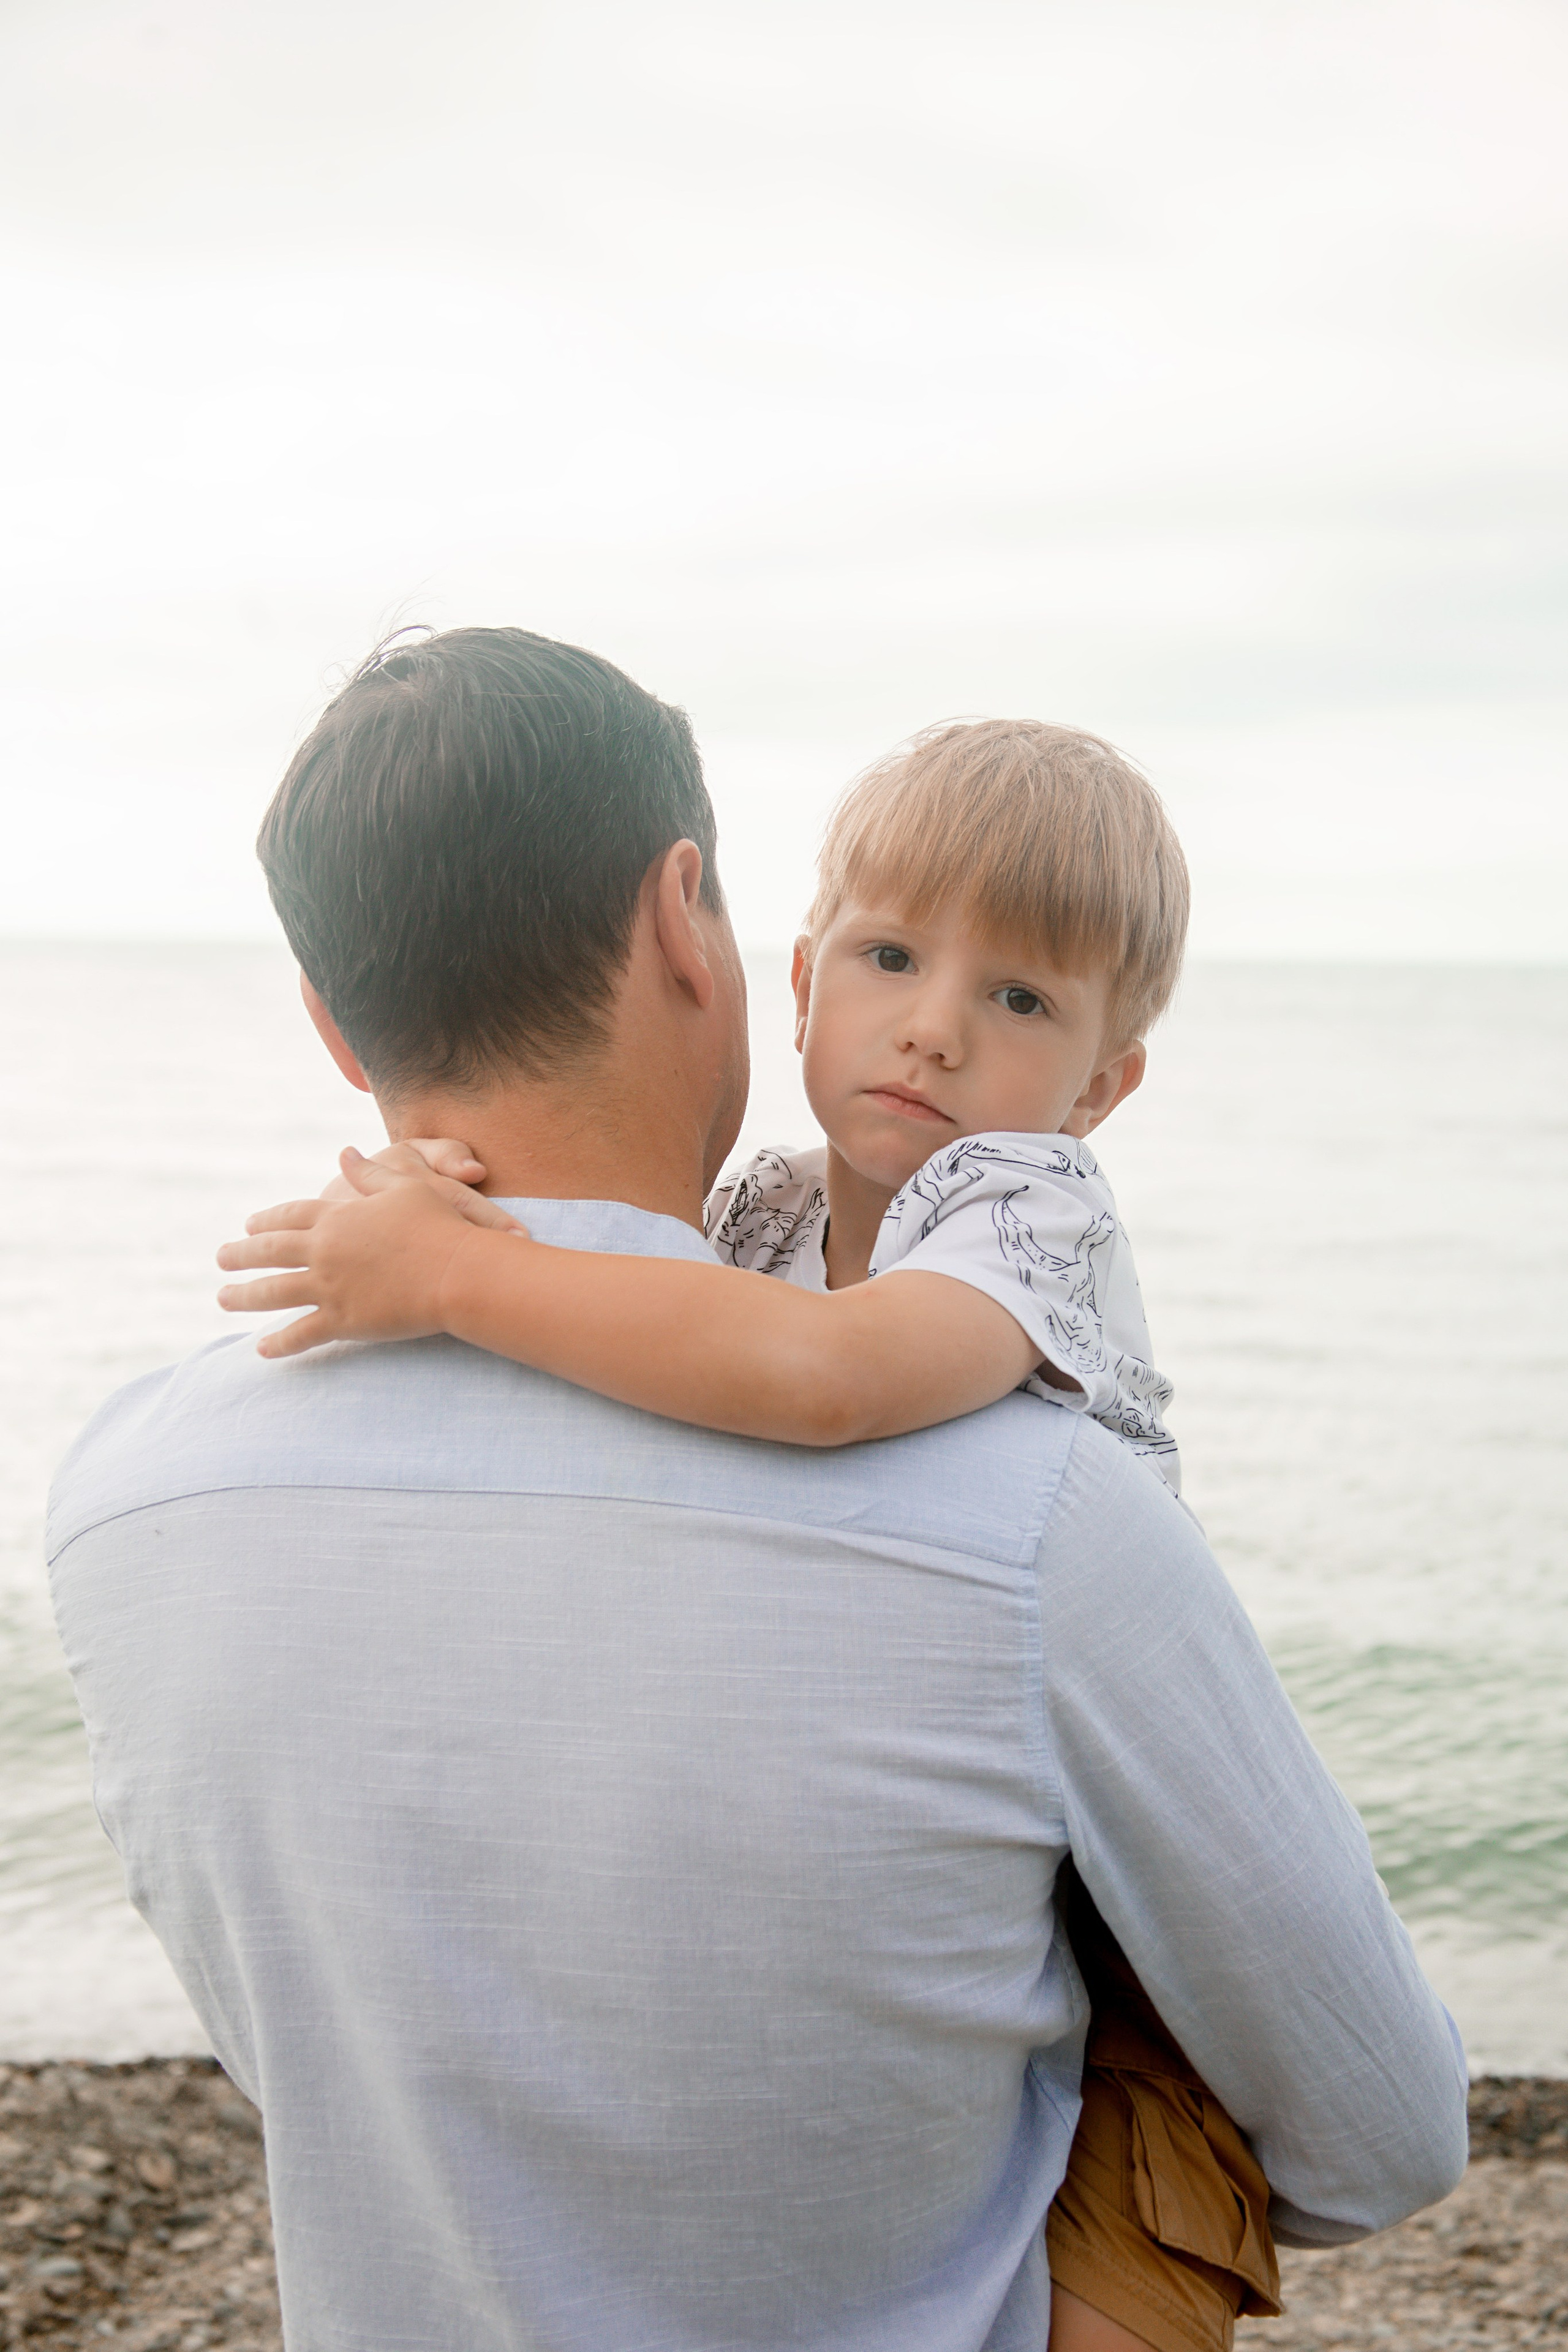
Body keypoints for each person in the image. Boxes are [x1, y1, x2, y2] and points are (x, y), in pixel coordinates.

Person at [50, 627, 1468, 2352]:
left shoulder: (123, 1507)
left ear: (339, 1029)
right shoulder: (1022, 1519)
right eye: (889, 958)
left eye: (1017, 999)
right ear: (700, 928)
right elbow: (1387, 2131)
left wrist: (438, 1258)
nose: (934, 1033)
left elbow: (791, 1371)